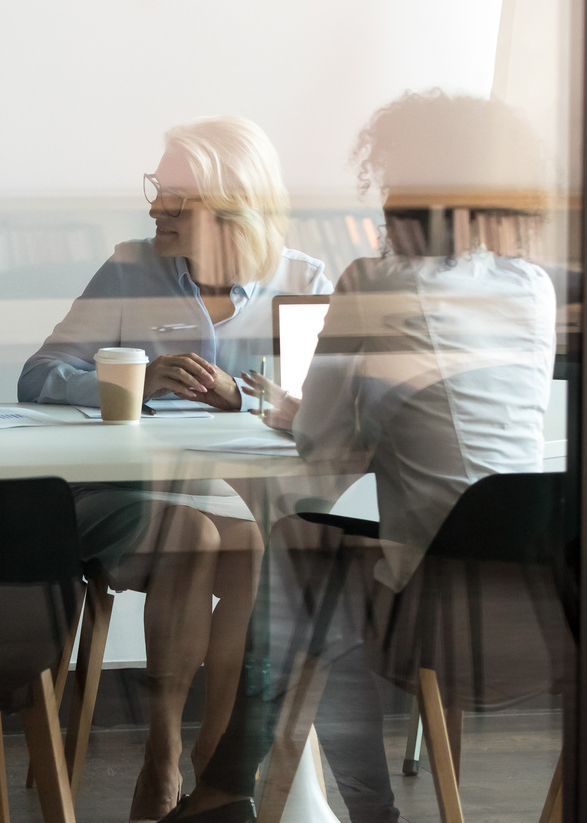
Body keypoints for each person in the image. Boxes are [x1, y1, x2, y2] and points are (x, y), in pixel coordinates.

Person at [170, 91, 559, 823]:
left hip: (437, 607)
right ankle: (235, 787)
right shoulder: (530, 288)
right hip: (537, 601)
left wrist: (292, 413)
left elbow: (324, 447)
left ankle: (250, 791)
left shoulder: (377, 284)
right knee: (319, 572)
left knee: (302, 558)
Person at [19, 115, 331, 821]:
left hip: (247, 503)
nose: (156, 206)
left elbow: (325, 416)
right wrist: (132, 381)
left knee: (249, 541)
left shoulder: (304, 279)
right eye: (158, 188)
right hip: (131, 496)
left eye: (178, 196)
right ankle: (165, 755)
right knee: (196, 535)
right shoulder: (132, 267)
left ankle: (219, 763)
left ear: (233, 202)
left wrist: (242, 396)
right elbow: (38, 376)